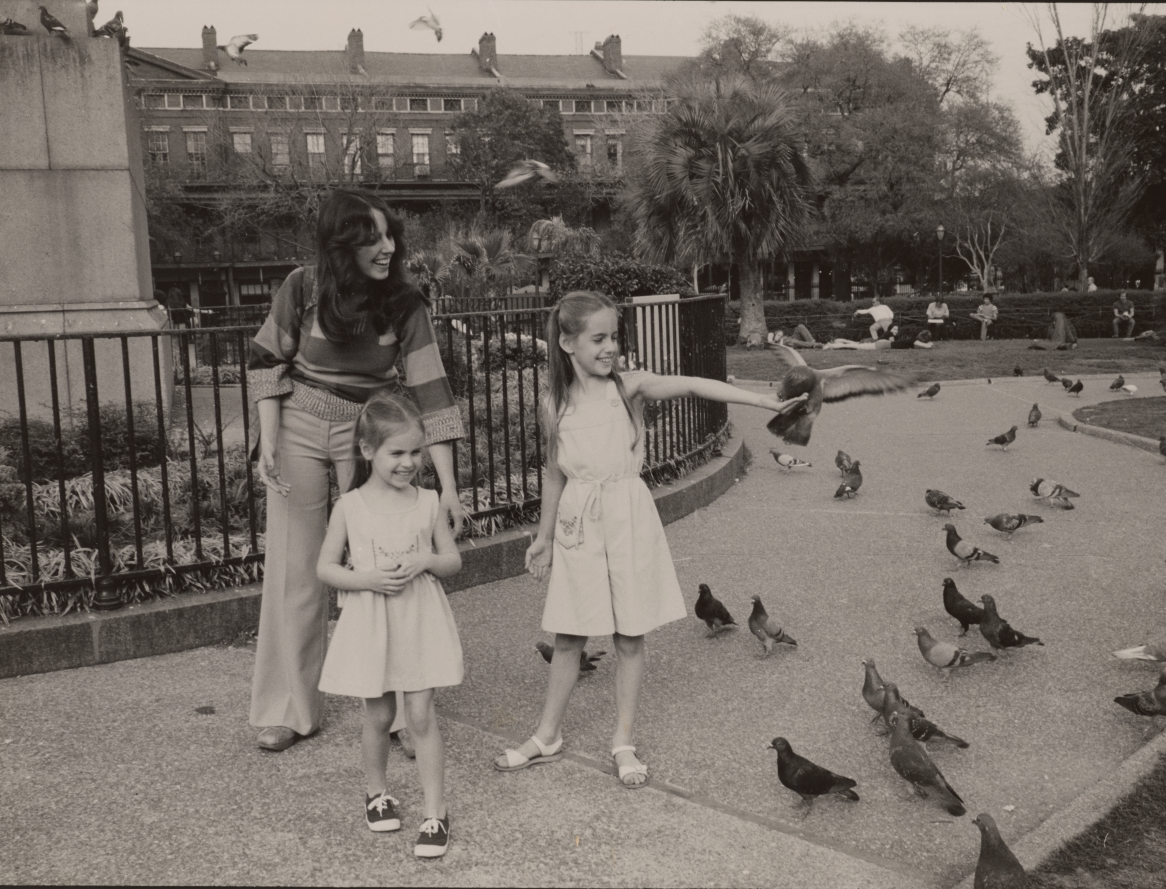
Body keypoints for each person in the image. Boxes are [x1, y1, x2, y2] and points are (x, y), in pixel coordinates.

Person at [493, 291, 806, 788]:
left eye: (614, 336)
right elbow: (554, 473)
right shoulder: (554, 402)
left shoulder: (629, 387)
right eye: (598, 338)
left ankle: (623, 740)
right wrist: (544, 538)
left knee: (629, 635)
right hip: (579, 520)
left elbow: (694, 384)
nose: (610, 347)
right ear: (568, 343)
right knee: (569, 634)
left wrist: (765, 401)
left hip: (627, 518)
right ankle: (547, 735)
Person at [247, 189, 467, 755]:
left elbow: (432, 392)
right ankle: (291, 709)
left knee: (386, 565)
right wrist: (268, 441)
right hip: (298, 425)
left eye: (390, 234)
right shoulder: (302, 287)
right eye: (372, 238)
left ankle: (403, 716)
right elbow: (268, 360)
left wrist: (447, 487)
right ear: (342, 244)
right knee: (297, 573)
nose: (387, 247)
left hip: (368, 434)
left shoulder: (404, 303)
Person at [316, 392, 463, 857]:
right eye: (397, 452)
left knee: (420, 716)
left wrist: (427, 560)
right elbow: (325, 568)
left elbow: (452, 561)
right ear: (367, 450)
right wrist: (367, 579)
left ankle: (435, 812)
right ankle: (376, 794)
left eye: (416, 451)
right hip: (372, 623)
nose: (409, 462)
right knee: (379, 715)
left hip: (418, 619)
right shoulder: (350, 507)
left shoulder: (428, 502)